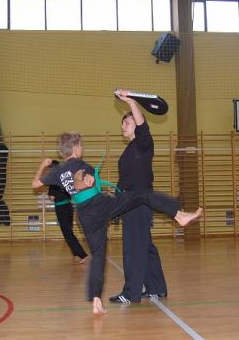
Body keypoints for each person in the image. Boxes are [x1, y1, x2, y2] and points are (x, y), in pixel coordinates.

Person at [32, 133, 202, 314]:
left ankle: (96, 300)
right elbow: (79, 180)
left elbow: (35, 184)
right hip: (100, 206)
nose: (82, 149)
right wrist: (86, 182)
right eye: (80, 146)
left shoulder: (57, 171)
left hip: (84, 215)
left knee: (98, 256)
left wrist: (43, 165)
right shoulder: (81, 165)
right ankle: (178, 215)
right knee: (141, 195)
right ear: (75, 148)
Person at [109, 89, 168, 304]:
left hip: (138, 202)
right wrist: (116, 199)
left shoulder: (144, 143)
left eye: (126, 122)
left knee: (134, 247)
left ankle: (131, 293)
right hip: (132, 202)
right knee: (145, 246)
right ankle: (157, 287)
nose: (122, 126)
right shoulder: (131, 149)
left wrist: (131, 101)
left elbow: (142, 124)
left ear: (136, 123)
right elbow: (127, 179)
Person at [48, 160, 89, 264]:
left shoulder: (54, 182)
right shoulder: (66, 179)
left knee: (67, 233)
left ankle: (82, 255)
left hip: (61, 208)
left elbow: (52, 197)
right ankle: (76, 254)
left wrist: (54, 194)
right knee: (69, 231)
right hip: (69, 207)